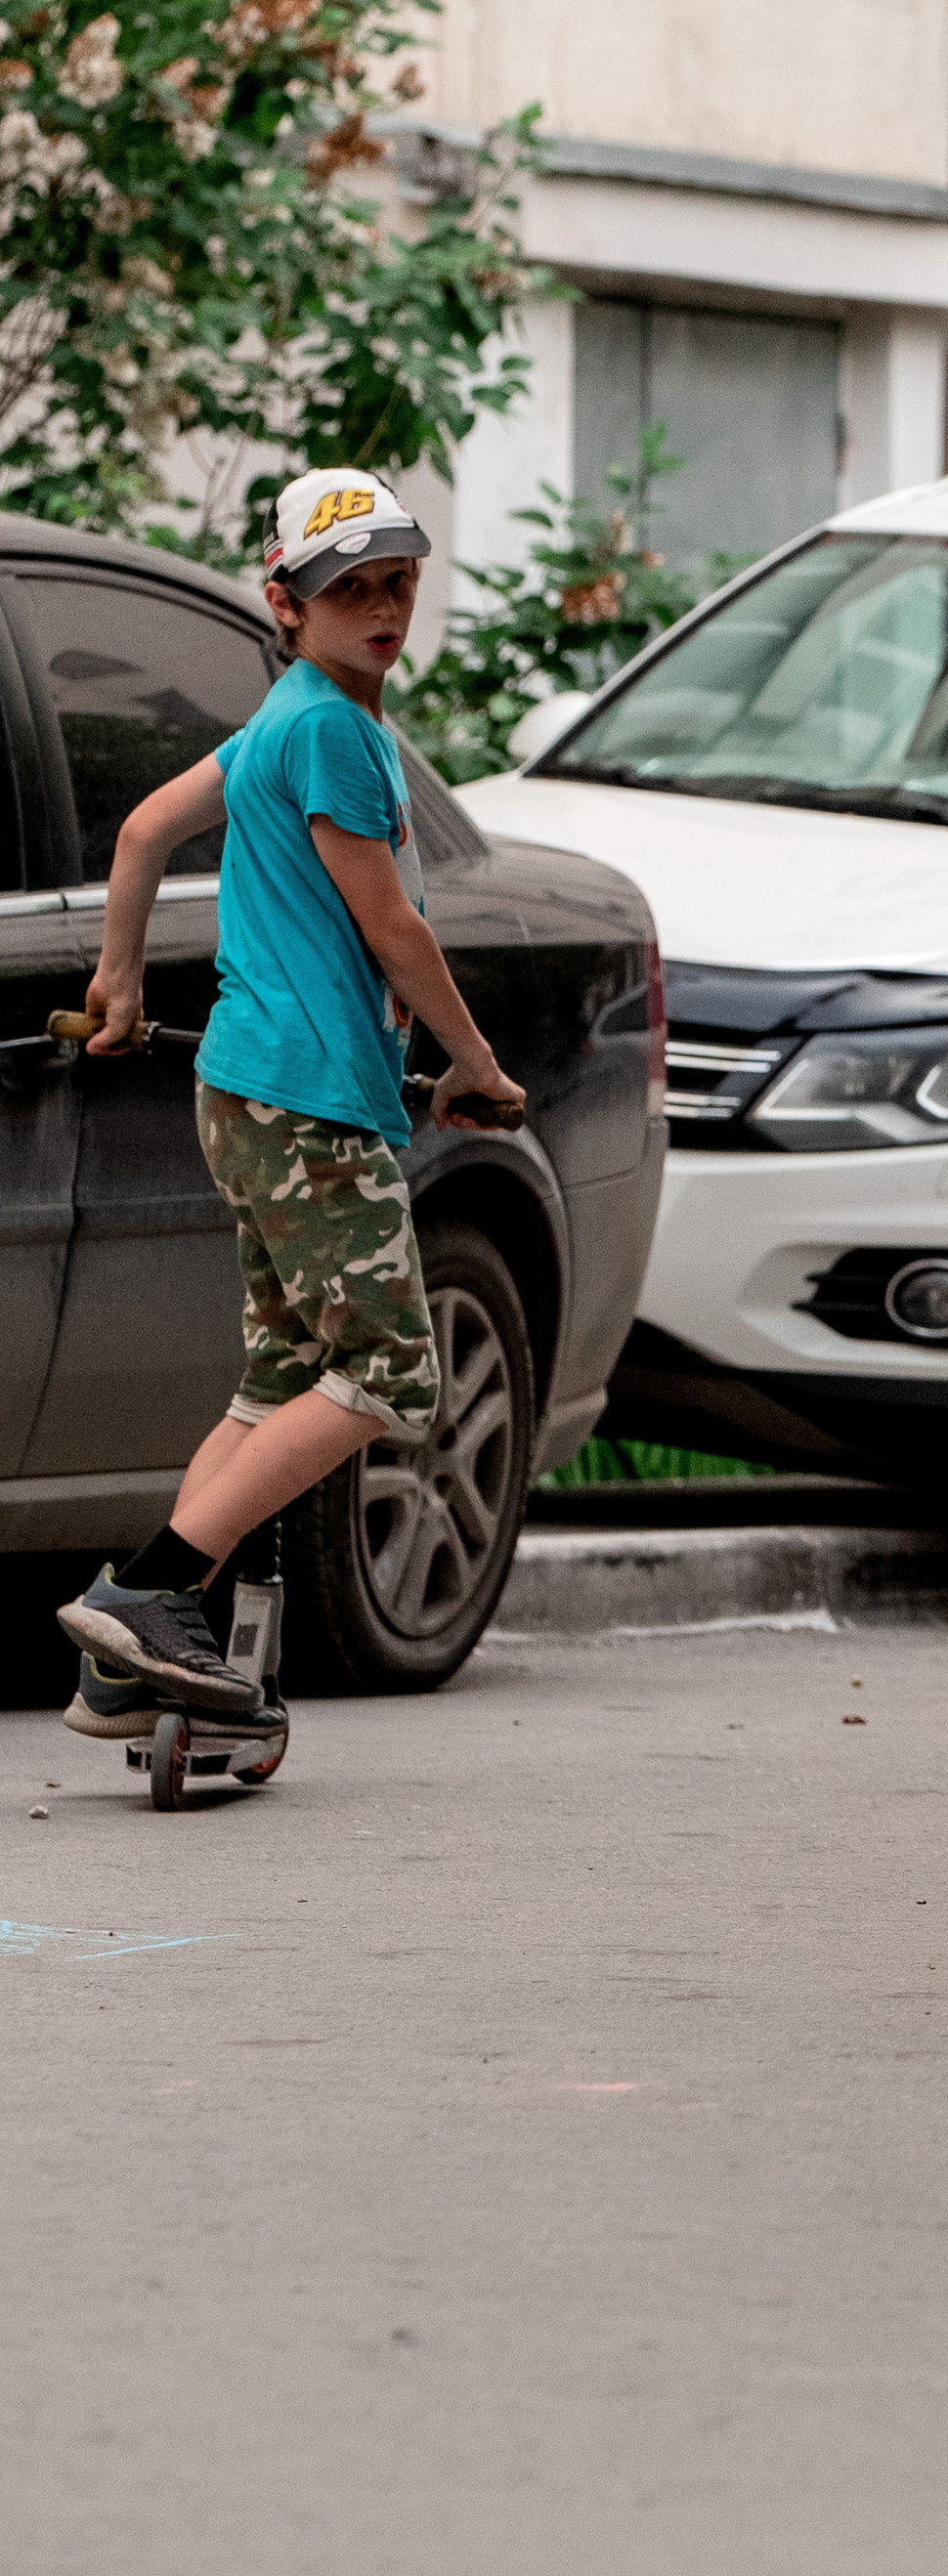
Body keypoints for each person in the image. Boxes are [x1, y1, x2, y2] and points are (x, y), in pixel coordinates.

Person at [57, 469, 524, 1738]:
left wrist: (116, 980)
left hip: (249, 1093)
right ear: (285, 600)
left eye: (395, 583)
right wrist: (474, 1064)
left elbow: (146, 828)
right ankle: (150, 1594)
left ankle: (129, 1669)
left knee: (276, 1385)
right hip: (310, 1101)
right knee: (385, 1373)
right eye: (347, 590)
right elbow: (394, 929)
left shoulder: (280, 719)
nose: (380, 608)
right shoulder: (334, 733)